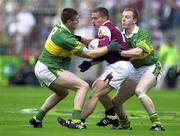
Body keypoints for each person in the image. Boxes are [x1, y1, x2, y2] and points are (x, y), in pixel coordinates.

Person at [29, 8, 121, 129]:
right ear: (69, 22)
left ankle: (37, 119)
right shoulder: (65, 37)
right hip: (49, 68)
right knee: (83, 86)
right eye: (76, 20)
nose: (79, 22)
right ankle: (77, 120)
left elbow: (81, 42)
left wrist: (90, 41)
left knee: (62, 93)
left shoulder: (63, 29)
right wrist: (109, 48)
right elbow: (89, 54)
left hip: (43, 66)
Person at [58, 7, 133, 129]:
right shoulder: (110, 28)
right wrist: (80, 39)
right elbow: (103, 46)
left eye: (96, 18)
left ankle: (79, 121)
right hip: (118, 66)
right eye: (92, 18)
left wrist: (91, 57)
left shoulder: (104, 28)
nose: (93, 21)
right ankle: (111, 116)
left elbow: (102, 47)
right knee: (96, 85)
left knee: (94, 95)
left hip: (119, 67)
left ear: (104, 18)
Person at [97, 7, 165, 131]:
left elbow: (138, 52)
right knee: (116, 102)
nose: (123, 19)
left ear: (134, 20)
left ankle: (157, 124)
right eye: (122, 16)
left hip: (151, 66)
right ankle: (125, 125)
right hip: (135, 70)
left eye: (127, 17)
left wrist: (118, 52)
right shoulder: (120, 35)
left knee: (140, 91)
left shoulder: (142, 32)